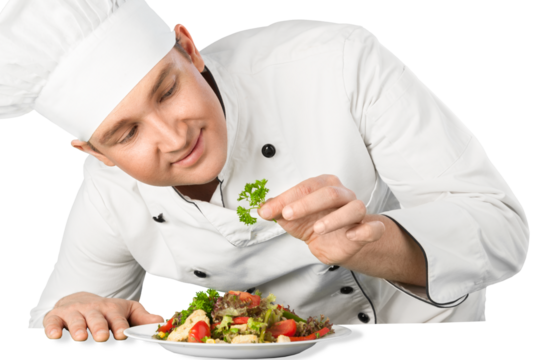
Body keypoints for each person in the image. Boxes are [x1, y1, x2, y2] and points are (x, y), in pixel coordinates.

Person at [1, 0, 528, 340]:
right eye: (127, 133)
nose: (174, 136)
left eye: (167, 91)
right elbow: (61, 311)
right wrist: (77, 311)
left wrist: (375, 242)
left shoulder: (335, 63)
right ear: (95, 152)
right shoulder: (110, 192)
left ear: (189, 49)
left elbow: (505, 231)